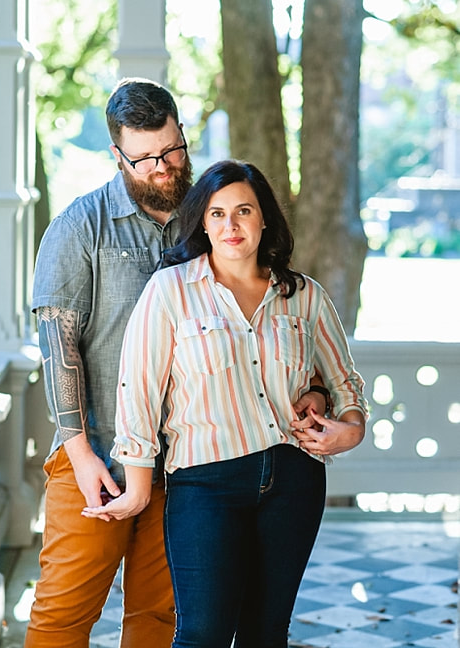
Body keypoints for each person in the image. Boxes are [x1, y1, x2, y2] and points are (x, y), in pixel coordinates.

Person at [101, 159, 367, 647]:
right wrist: (138, 486)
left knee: (265, 634)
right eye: (218, 213)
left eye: (244, 210)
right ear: (202, 221)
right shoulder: (171, 291)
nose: (231, 225)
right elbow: (137, 392)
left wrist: (351, 429)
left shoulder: (303, 296)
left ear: (264, 218)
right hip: (205, 485)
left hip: (294, 480)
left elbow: (344, 382)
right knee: (202, 634)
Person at [26, 78, 192, 647]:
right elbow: (58, 347)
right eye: (144, 158)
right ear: (117, 155)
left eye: (171, 151)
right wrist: (80, 453)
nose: (162, 167)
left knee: (158, 621)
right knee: (61, 620)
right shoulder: (79, 227)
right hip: (95, 459)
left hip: (186, 466)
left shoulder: (208, 220)